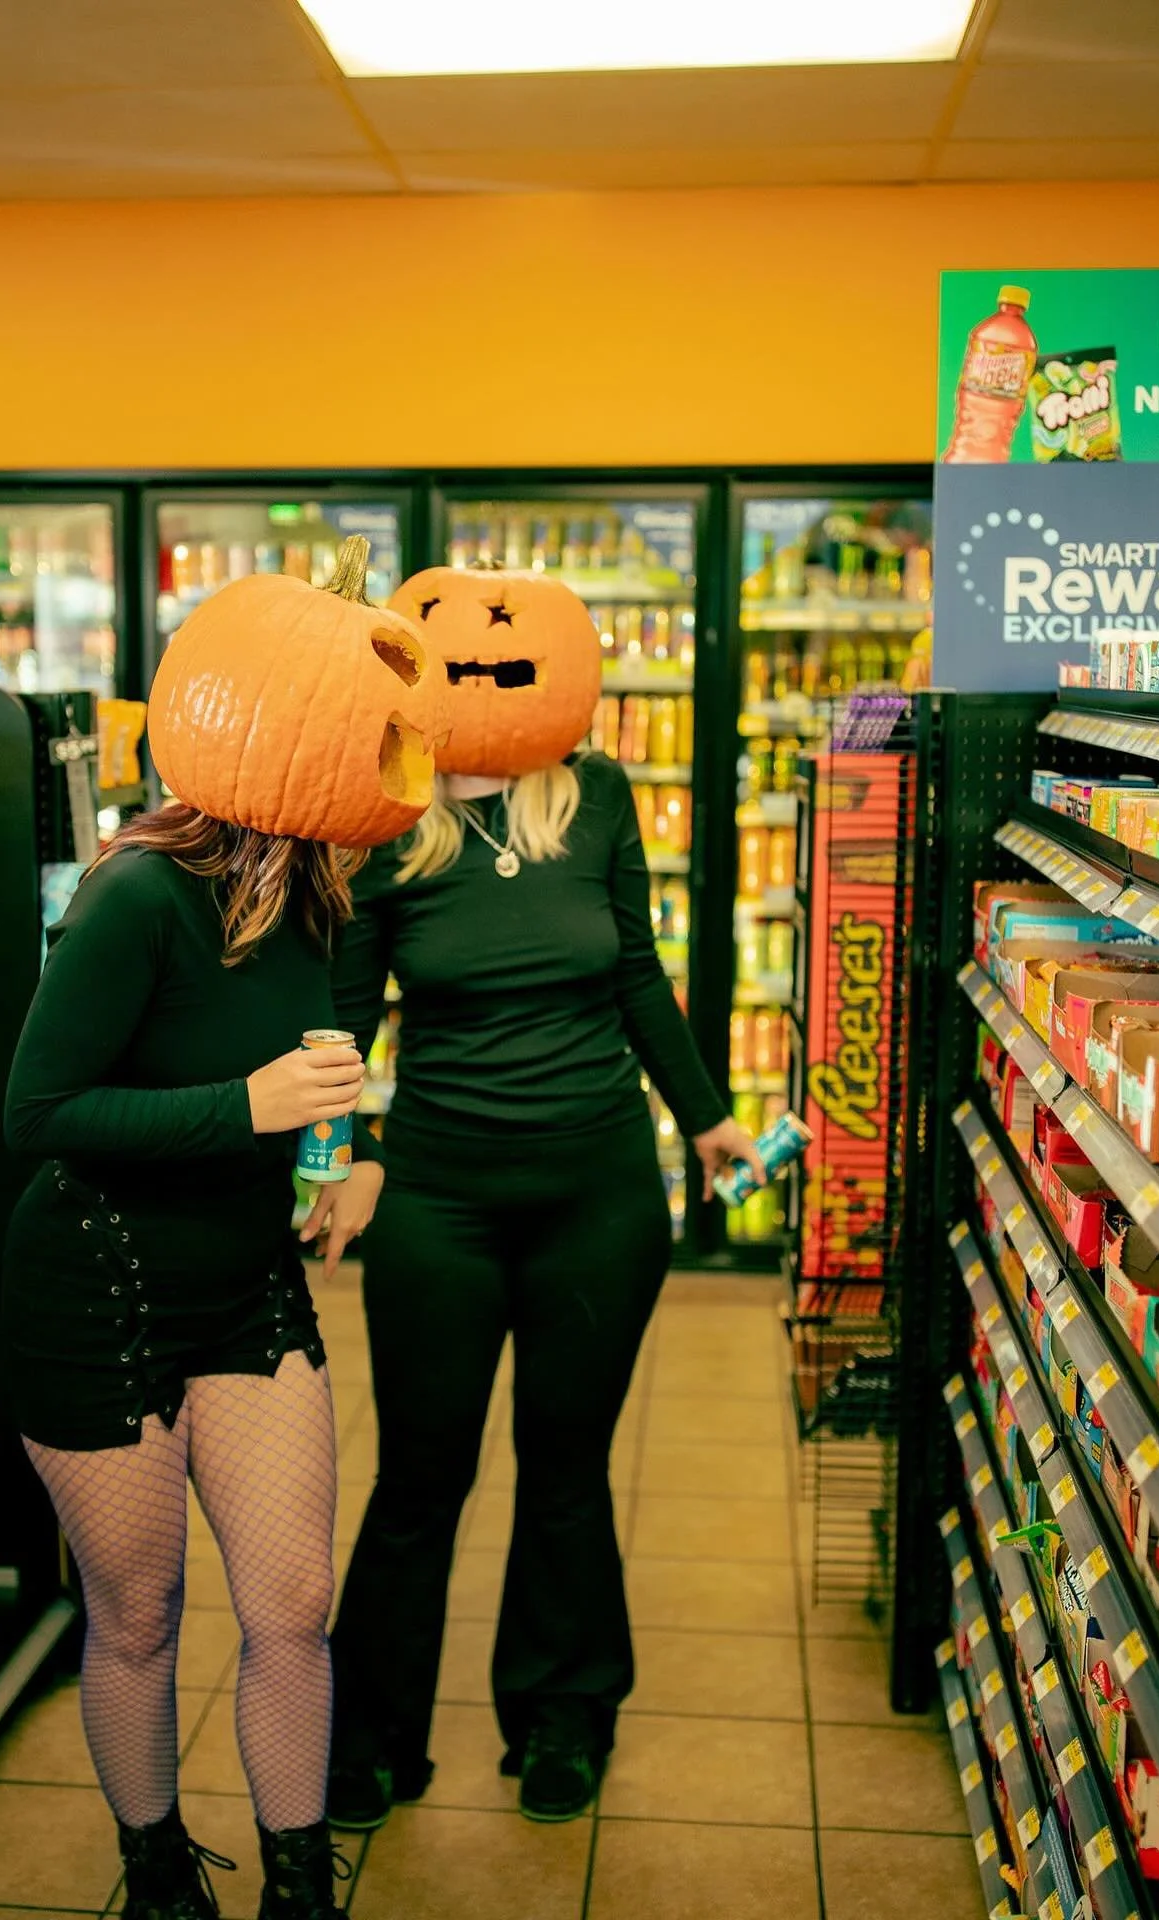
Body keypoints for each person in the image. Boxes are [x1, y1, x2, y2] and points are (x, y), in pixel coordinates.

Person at [1, 543, 428, 1920]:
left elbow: (306, 1075)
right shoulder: (135, 894)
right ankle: (159, 1879)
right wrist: (242, 1108)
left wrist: (343, 1159)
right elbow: (38, 1112)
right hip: (98, 1294)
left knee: (291, 1605)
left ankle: (300, 1891)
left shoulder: (318, 896)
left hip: (248, 1287)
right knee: (137, 1617)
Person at [325, 569, 763, 1828]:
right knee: (420, 1476)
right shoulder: (384, 814)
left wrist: (708, 1117)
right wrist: (339, 1154)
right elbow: (342, 1020)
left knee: (566, 1468)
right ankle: (370, 1736)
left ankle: (563, 1715)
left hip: (598, 1195)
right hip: (439, 1199)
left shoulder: (598, 795)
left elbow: (636, 972)